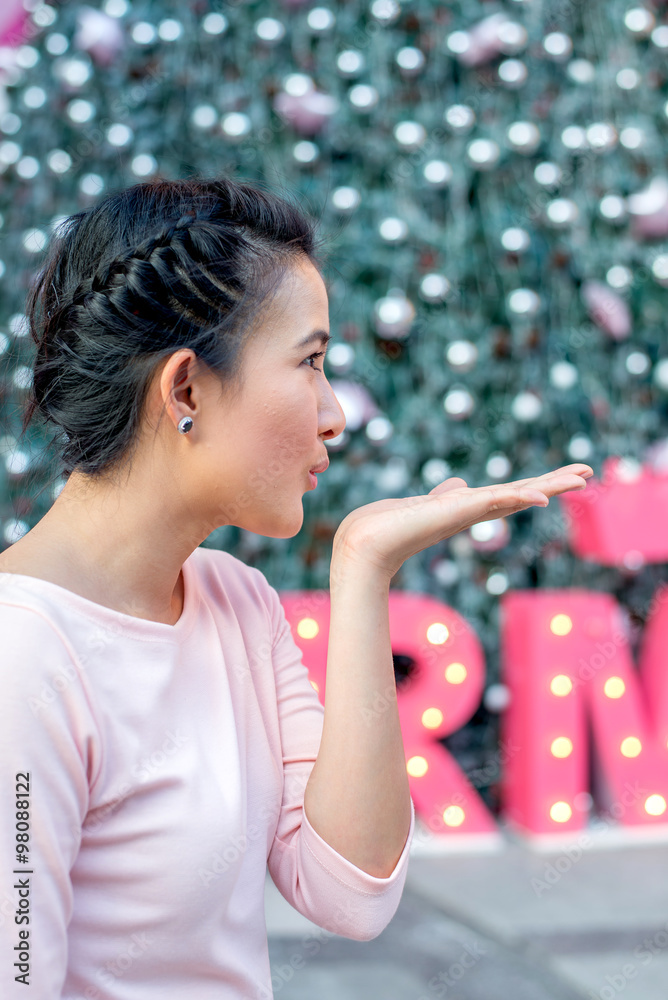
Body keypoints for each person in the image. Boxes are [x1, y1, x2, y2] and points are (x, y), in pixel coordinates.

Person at [0, 175, 592, 999]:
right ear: (185, 389)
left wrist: (363, 570)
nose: (333, 414)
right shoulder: (23, 654)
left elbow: (351, 891)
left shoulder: (235, 601)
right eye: (310, 362)